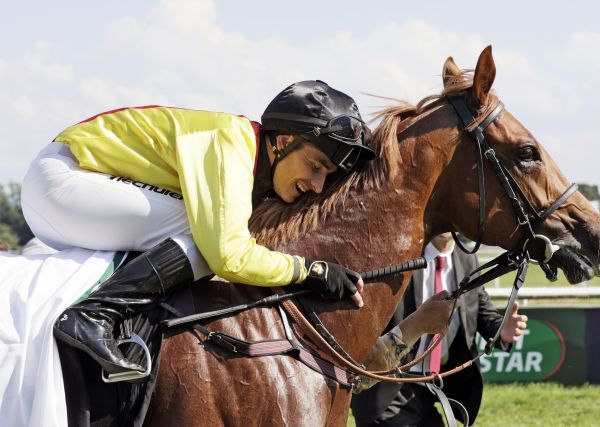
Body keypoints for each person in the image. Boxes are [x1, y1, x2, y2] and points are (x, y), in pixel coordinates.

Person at [20, 80, 377, 376]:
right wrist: (307, 271)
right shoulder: (233, 142)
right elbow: (228, 256)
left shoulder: (248, 155)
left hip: (74, 188)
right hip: (63, 179)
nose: (316, 185)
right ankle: (92, 315)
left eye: (326, 175)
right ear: (284, 141)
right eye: (316, 165)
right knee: (211, 239)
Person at [351, 233, 528, 426]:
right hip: (388, 387)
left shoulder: (467, 257)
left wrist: (501, 330)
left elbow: (480, 308)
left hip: (434, 386)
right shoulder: (400, 251)